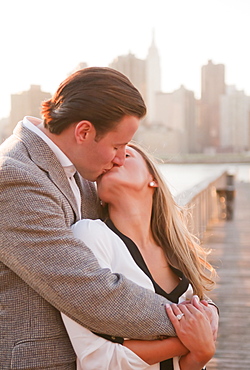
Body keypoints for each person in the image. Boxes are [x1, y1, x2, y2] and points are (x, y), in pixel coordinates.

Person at [0, 67, 218, 369]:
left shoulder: (86, 172)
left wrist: (205, 312)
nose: (119, 158)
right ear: (84, 132)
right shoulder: (15, 177)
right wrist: (193, 323)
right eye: (117, 146)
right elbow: (89, 291)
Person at [62, 143, 218, 370]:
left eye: (125, 154)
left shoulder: (177, 252)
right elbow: (97, 359)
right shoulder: (90, 235)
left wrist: (201, 354)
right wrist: (191, 343)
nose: (113, 159)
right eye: (109, 155)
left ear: (153, 178)